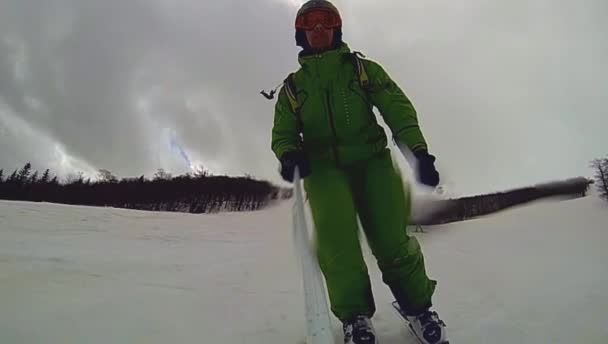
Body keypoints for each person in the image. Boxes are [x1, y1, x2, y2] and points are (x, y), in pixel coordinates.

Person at [270, 1, 448, 343]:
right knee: (338, 243)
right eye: (311, 23)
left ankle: (418, 307)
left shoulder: (361, 70)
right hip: (323, 170)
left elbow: (396, 107)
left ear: (337, 28)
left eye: (327, 22)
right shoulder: (292, 88)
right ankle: (355, 318)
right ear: (301, 33)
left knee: (392, 238)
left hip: (372, 162)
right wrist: (289, 154)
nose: (319, 29)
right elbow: (284, 132)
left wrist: (418, 153)